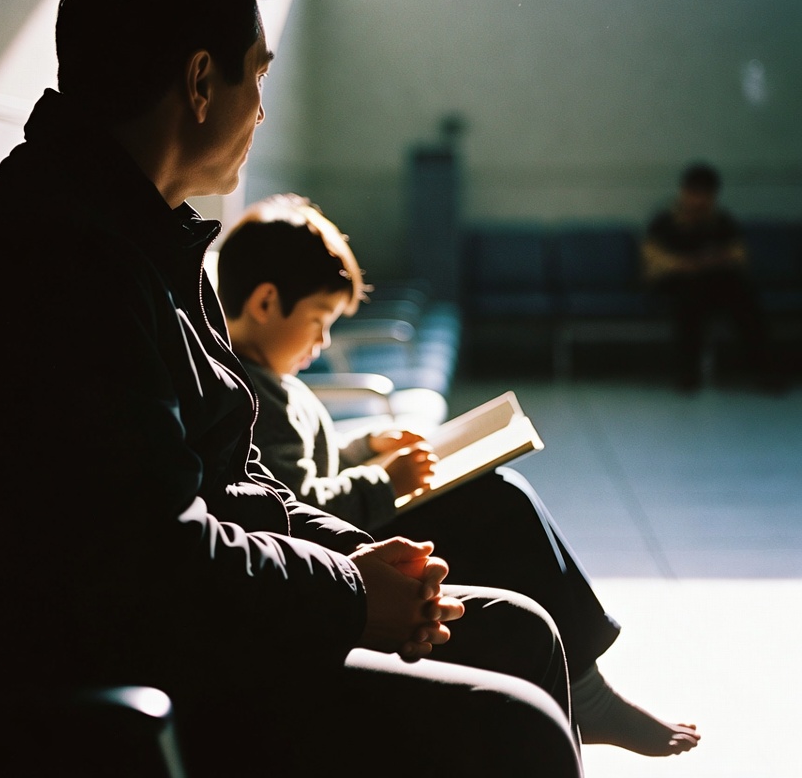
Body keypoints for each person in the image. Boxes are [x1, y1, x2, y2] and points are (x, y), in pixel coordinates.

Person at [0, 0, 582, 777]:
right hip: (97, 700)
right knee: (517, 729)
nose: (261, 107)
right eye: (258, 76)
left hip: (175, 636)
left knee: (517, 629)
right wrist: (352, 591)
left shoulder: (138, 239)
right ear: (202, 81)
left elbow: (235, 481)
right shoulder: (54, 262)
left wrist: (350, 559)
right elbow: (149, 564)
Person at [218, 192, 701, 759]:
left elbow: (309, 456)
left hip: (356, 512)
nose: (324, 343)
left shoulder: (275, 379)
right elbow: (295, 502)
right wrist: (388, 481)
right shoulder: (254, 392)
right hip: (349, 544)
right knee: (497, 505)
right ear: (266, 302)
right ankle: (586, 690)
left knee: (501, 496)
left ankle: (583, 682)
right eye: (320, 321)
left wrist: (365, 444)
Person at [643, 162, 774, 390]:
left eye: (706, 195)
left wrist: (715, 260)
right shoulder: (665, 222)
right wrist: (686, 264)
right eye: (695, 194)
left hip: (714, 281)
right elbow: (653, 258)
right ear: (684, 192)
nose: (700, 201)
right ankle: (688, 373)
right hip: (677, 282)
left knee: (745, 299)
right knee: (688, 299)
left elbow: (739, 255)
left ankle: (764, 371)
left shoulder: (721, 222)